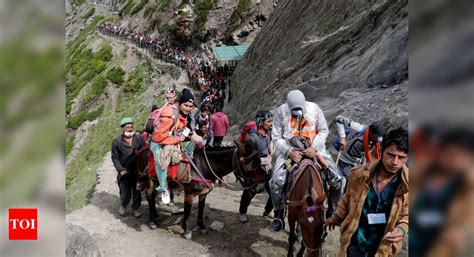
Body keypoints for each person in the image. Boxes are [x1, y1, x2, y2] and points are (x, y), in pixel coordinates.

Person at [269, 90, 345, 231]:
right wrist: (289, 151)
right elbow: (276, 136)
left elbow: (323, 131)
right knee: (276, 181)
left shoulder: (314, 109)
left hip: (315, 151)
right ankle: (278, 213)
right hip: (290, 151)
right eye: (294, 110)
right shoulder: (281, 112)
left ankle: (333, 209)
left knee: (339, 179)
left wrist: (314, 148)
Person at [325, 128, 409, 257]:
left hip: (382, 248)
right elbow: (347, 199)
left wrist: (402, 229)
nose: (395, 162)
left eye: (401, 157)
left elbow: (408, 216)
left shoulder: (410, 184)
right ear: (381, 151)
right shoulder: (359, 174)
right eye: (391, 155)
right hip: (354, 242)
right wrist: (336, 218)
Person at [409, 127, 474, 257]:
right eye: (451, 154)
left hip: (435, 247)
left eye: (462, 156)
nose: (455, 161)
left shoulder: (466, 189)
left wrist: (462, 232)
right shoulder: (417, 175)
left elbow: (468, 222)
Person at [150, 89, 195, 204]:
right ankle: (163, 188)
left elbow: (179, 127)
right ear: (180, 103)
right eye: (186, 105)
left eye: (191, 106)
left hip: (170, 138)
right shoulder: (170, 115)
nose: (188, 108)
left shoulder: (180, 113)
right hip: (157, 142)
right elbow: (158, 137)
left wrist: (188, 135)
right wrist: (177, 139)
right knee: (162, 163)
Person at [238, 110, 274, 223]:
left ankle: (267, 211)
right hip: (256, 169)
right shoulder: (254, 137)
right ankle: (242, 212)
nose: (271, 123)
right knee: (250, 192)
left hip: (267, 166)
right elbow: (244, 146)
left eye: (271, 121)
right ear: (261, 122)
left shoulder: (269, 134)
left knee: (274, 191)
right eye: (268, 121)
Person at [111, 117, 146, 218]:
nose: (130, 129)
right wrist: (120, 169)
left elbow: (144, 152)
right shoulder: (116, 142)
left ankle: (135, 208)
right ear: (123, 129)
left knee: (137, 193)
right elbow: (115, 157)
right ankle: (123, 205)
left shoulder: (139, 138)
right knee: (125, 193)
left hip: (138, 172)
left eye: (131, 127)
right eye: (127, 127)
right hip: (124, 171)